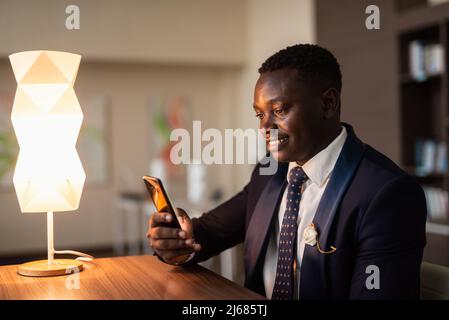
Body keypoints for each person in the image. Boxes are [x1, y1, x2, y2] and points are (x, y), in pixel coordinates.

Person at [147, 44, 427, 299]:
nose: (264, 128)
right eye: (260, 115)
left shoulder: (387, 194)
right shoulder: (269, 171)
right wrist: (175, 243)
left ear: (328, 104)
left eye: (279, 110)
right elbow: (207, 233)